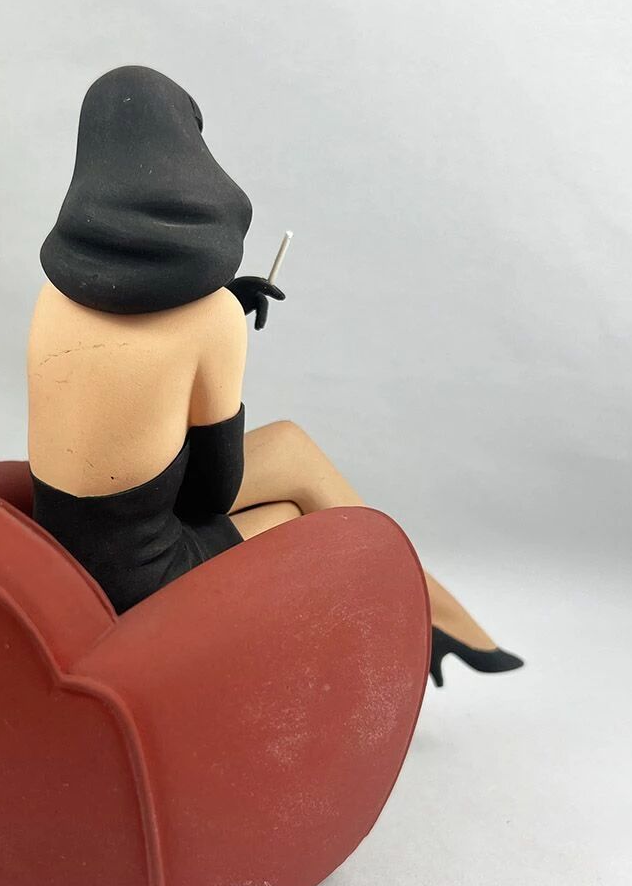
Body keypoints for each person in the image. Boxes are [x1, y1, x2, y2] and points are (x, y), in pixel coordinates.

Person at [27, 65, 523, 687]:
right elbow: (208, 496)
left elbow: (120, 386)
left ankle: (432, 612)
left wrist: (213, 315)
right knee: (296, 512)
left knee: (288, 443)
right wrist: (217, 341)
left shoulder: (58, 293)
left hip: (66, 547)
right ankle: (421, 618)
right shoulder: (209, 322)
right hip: (140, 582)